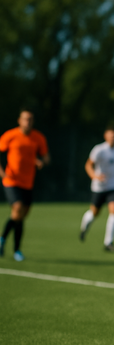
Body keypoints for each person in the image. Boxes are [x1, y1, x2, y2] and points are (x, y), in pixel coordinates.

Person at [0, 108, 50, 261]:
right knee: (18, 209)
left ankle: (3, 240)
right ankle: (17, 250)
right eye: (25, 119)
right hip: (11, 180)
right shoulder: (10, 135)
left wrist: (41, 162)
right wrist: (1, 172)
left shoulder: (38, 138)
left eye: (30, 119)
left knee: (20, 216)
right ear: (19, 120)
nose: (28, 122)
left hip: (28, 182)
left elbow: (46, 157)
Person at [79, 127, 114, 251]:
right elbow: (88, 165)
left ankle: (108, 243)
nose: (113, 138)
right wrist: (94, 176)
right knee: (95, 213)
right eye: (111, 135)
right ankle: (84, 226)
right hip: (99, 187)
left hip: (113, 186)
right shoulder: (99, 150)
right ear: (105, 136)